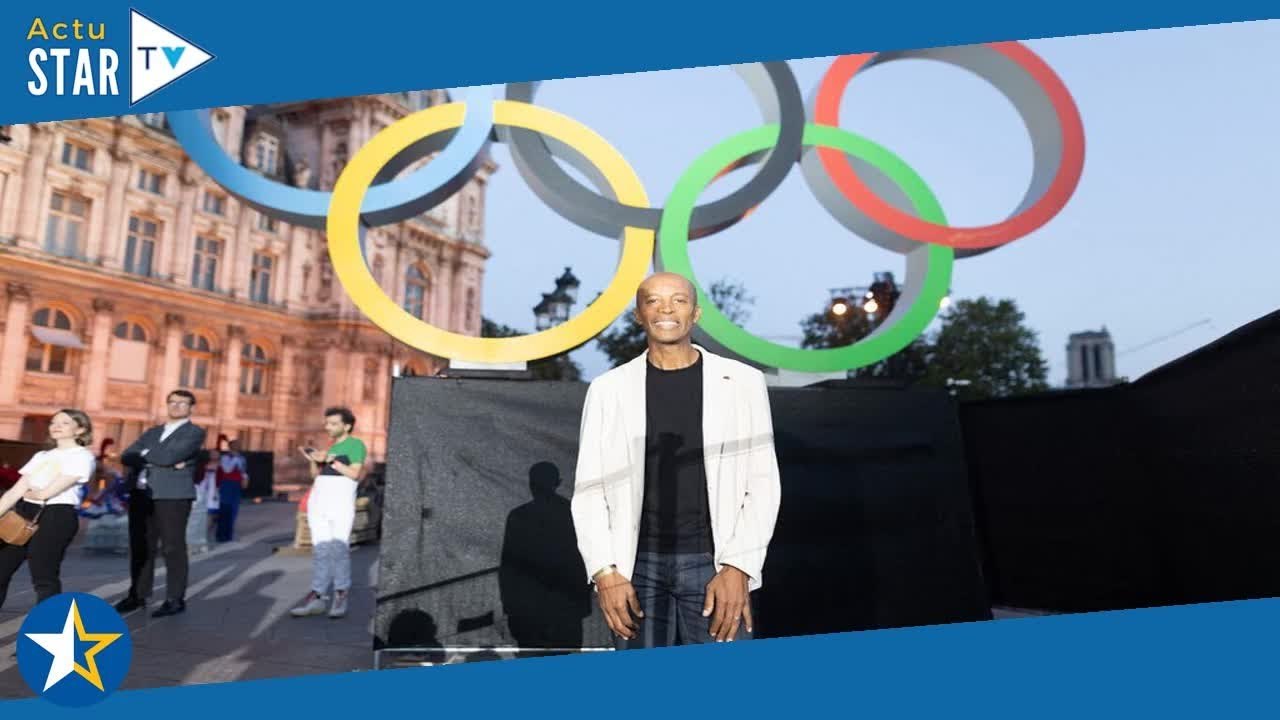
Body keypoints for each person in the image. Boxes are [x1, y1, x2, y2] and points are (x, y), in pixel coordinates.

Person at [571, 272, 782, 649]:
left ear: (695, 313)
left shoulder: (743, 382)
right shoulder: (608, 389)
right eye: (653, 301)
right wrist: (605, 572)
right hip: (635, 569)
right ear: (638, 315)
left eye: (679, 300)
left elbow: (763, 483)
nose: (666, 309)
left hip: (715, 564)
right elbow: (589, 490)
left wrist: (739, 566)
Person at [114, 389, 207, 618]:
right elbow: (127, 456)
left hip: (173, 496)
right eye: (172, 402)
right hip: (141, 494)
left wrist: (148, 455)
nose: (176, 406)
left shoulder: (194, 432)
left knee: (172, 547)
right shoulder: (153, 432)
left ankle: (175, 599)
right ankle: (138, 595)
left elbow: (169, 457)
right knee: (141, 547)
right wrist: (162, 458)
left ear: (191, 408)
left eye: (182, 403)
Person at [0, 409, 97, 609]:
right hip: (23, 513)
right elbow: (14, 492)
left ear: (80, 430)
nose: (56, 426)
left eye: (65, 423)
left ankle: (49, 624)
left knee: (43, 576)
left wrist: (30, 493)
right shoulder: (42, 456)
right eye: (53, 422)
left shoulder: (82, 456)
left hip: (56, 516)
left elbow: (46, 492)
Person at [291, 407, 366, 620]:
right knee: (320, 550)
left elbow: (355, 473)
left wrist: (331, 460)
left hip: (340, 503)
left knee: (339, 549)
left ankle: (341, 594)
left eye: (333, 423)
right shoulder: (331, 446)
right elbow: (315, 475)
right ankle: (317, 597)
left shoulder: (356, 445)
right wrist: (314, 460)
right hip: (319, 501)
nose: (328, 427)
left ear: (347, 426)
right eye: (327, 423)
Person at [214, 439, 249, 542]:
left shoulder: (242, 458)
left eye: (239, 444)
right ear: (231, 446)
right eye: (236, 444)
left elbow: (243, 471)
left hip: (236, 485)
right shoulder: (225, 457)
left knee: (234, 509)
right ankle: (221, 535)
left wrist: (245, 479)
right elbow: (227, 469)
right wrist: (235, 458)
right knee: (225, 508)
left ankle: (229, 534)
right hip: (227, 484)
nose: (239, 446)